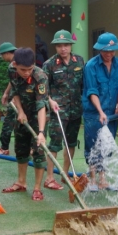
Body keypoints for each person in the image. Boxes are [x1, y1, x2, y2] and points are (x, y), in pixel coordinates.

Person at [2, 47, 49, 201]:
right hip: (21, 114)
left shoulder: (40, 77)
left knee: (38, 151)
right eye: (23, 70)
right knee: (20, 148)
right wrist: (20, 112)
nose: (27, 72)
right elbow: (15, 91)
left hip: (38, 116)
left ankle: (37, 188)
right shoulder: (11, 70)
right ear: (15, 64)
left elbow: (42, 105)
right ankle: (21, 182)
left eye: (29, 69)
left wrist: (41, 132)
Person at [43, 30, 85, 190]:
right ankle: (49, 177)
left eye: (66, 45)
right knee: (54, 144)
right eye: (59, 46)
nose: (63, 49)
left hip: (75, 109)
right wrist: (50, 101)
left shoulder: (79, 61)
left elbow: (83, 85)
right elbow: (42, 89)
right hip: (58, 110)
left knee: (71, 143)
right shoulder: (49, 64)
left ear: (70, 45)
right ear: (56, 47)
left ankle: (65, 172)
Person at [83, 32, 118, 191]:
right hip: (94, 114)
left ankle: (103, 180)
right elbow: (92, 91)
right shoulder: (91, 66)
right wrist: (100, 111)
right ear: (99, 50)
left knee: (107, 145)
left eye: (112, 51)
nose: (109, 54)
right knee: (93, 146)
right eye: (106, 51)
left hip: (111, 113)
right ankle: (92, 180)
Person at [0, 42, 17, 155]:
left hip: (17, 100)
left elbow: (17, 82)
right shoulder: (21, 60)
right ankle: (32, 149)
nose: (2, 57)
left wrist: (14, 98)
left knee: (8, 123)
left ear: (7, 53)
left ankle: (4, 148)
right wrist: (6, 93)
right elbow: (12, 81)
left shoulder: (13, 65)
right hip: (21, 97)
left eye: (2, 55)